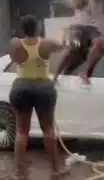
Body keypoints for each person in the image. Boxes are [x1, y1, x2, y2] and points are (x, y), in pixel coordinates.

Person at [9, 15, 69, 179]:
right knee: (48, 130)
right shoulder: (46, 43)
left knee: (22, 132)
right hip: (43, 87)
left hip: (21, 86)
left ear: (23, 29)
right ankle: (56, 170)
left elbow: (15, 59)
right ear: (37, 27)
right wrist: (64, 36)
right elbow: (64, 46)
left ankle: (19, 172)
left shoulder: (15, 43)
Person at [53, 0, 104, 84]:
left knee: (99, 42)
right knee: (72, 48)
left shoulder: (103, 0)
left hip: (93, 29)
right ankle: (56, 75)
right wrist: (79, 1)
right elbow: (74, 4)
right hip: (78, 26)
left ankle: (84, 71)